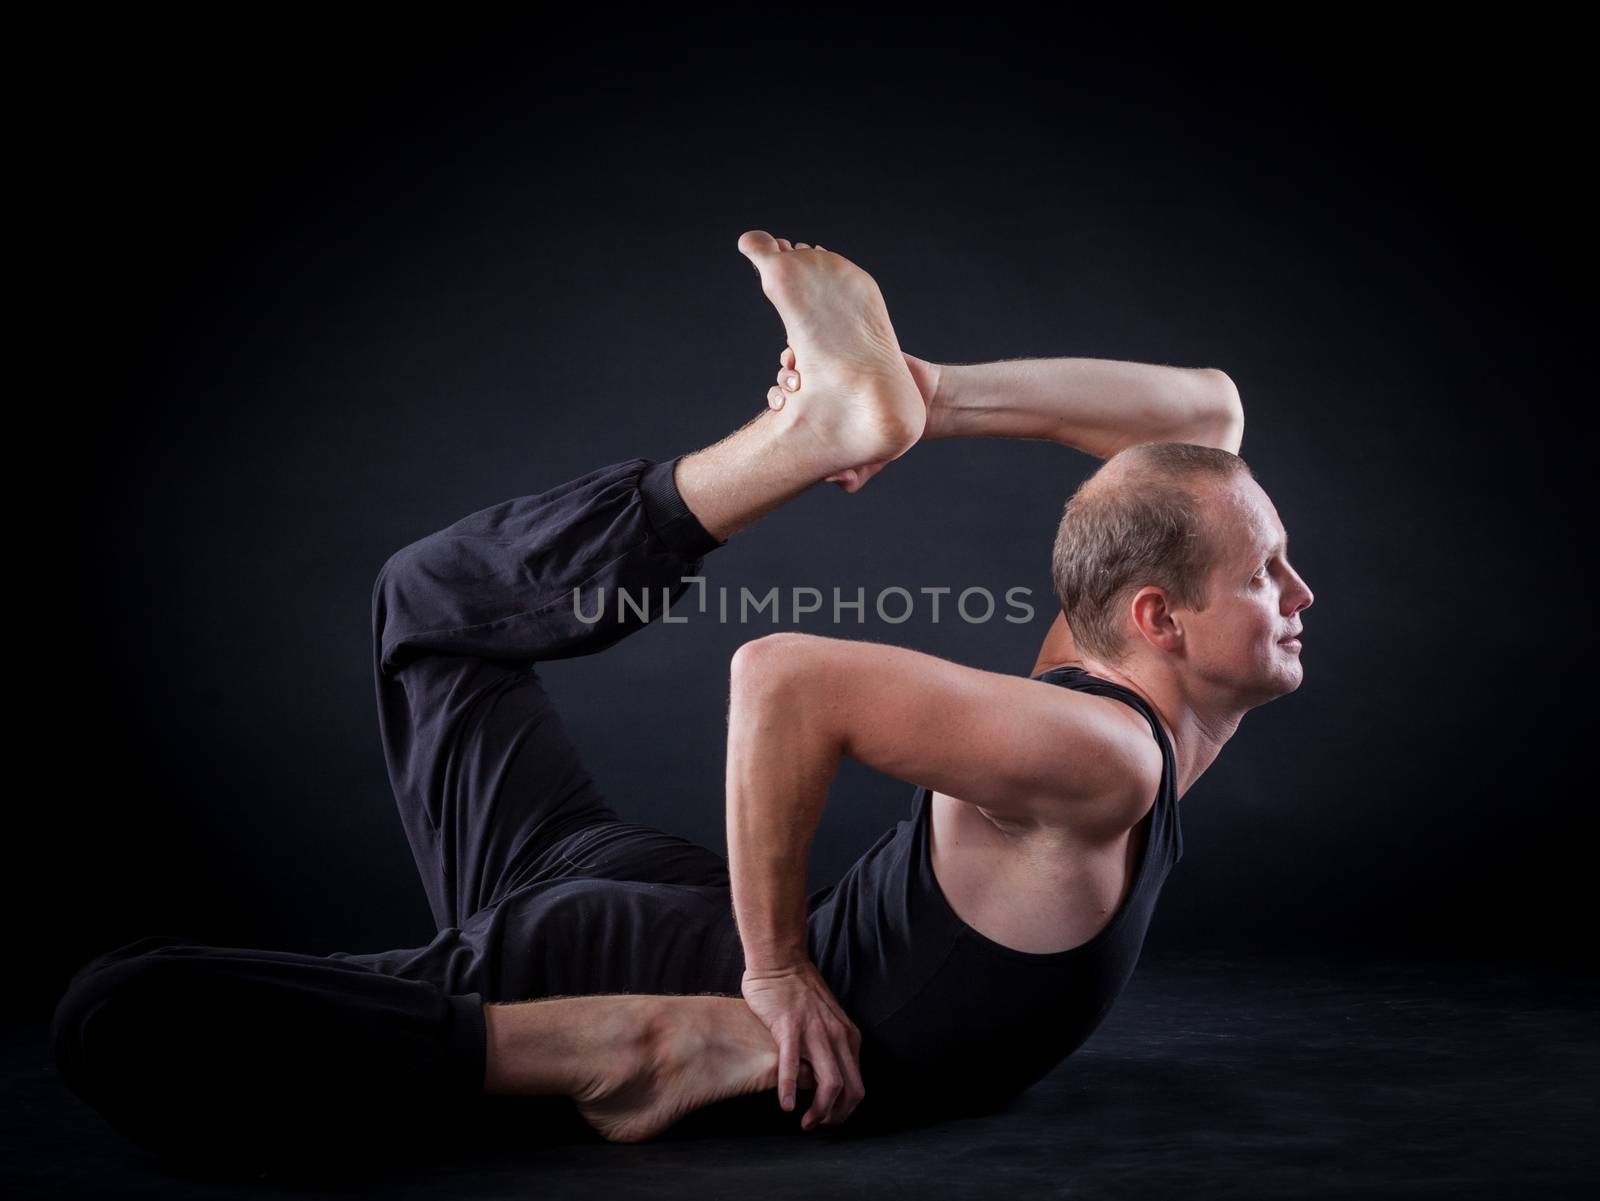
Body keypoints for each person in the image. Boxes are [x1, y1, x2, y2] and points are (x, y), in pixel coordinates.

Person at [50, 231, 1313, 1168]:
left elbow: (1204, 420)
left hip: (638, 948)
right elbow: (784, 674)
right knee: (420, 612)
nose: (1300, 590)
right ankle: (822, 430)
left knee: (129, 1010)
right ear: (1158, 618)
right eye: (1266, 572)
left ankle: (603, 1039)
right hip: (670, 948)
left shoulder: (1096, 729)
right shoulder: (1105, 749)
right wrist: (771, 975)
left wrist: (924, 403)